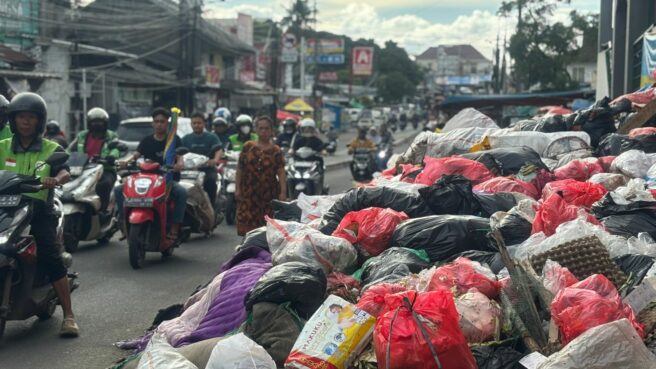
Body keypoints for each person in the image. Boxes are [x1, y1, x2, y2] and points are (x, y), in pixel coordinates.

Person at [0, 92, 78, 337]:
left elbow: (65, 170)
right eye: (21, 116)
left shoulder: (50, 148)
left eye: (31, 117)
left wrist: (56, 179)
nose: (25, 121)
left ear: (39, 121)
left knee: (49, 254)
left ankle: (69, 315)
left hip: (38, 210)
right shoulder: (1, 146)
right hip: (4, 207)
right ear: (13, 119)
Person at [116, 107, 187, 240]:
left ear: (167, 123)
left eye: (162, 121)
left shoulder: (173, 140)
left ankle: (175, 227)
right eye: (157, 121)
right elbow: (135, 155)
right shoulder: (146, 140)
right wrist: (125, 162)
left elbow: (180, 157)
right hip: (147, 180)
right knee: (119, 190)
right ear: (152, 124)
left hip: (167, 180)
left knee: (182, 193)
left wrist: (179, 164)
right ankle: (123, 223)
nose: (159, 124)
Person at [235, 116, 286, 236]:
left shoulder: (276, 150)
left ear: (271, 131)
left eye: (267, 128)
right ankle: (246, 250)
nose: (264, 131)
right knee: (247, 228)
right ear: (256, 130)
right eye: (261, 128)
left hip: (268, 195)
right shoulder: (248, 147)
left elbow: (281, 172)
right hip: (248, 194)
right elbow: (240, 168)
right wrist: (237, 188)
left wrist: (283, 192)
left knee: (266, 227)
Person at [68, 107, 120, 213]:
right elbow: (70, 149)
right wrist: (62, 155)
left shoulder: (111, 136)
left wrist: (111, 156)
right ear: (89, 123)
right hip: (82, 169)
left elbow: (115, 149)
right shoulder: (82, 135)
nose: (97, 125)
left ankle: (102, 211)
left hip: (105, 169)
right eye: (94, 122)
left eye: (100, 122)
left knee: (103, 185)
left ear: (105, 123)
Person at [182, 112, 223, 207]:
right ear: (191, 124)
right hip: (189, 171)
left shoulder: (212, 137)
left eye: (199, 123)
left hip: (207, 170)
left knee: (211, 182)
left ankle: (211, 207)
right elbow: (179, 153)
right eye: (194, 123)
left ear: (204, 124)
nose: (197, 125)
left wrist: (215, 160)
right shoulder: (185, 139)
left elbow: (218, 150)